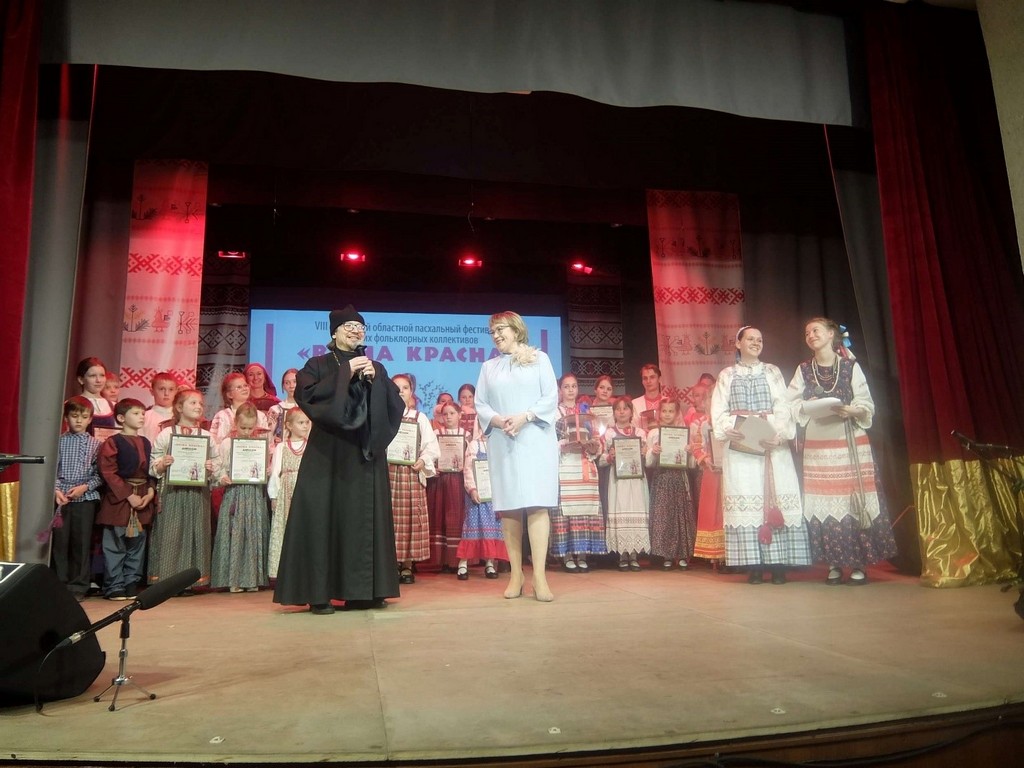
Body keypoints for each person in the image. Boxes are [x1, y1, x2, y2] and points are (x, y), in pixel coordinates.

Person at [273, 306, 405, 614]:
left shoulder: (376, 366)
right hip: (328, 454)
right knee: (322, 519)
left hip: (364, 454)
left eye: (360, 326)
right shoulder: (318, 364)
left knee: (361, 521)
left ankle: (363, 592)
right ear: (334, 332)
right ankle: (319, 594)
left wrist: (376, 382)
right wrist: (345, 373)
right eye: (349, 326)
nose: (356, 330)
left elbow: (394, 406)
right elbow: (308, 396)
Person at [787, 317, 897, 585]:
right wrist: (808, 406)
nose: (811, 335)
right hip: (819, 444)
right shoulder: (804, 369)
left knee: (852, 501)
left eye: (816, 330)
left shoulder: (849, 366)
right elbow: (790, 403)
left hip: (849, 439)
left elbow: (865, 402)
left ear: (830, 335)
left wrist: (852, 410)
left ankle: (859, 563)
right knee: (825, 503)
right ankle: (834, 563)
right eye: (807, 332)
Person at [711, 326, 810, 585]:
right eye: (750, 339)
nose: (756, 343)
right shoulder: (727, 375)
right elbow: (718, 410)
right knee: (747, 497)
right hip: (741, 449)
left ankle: (778, 565)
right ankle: (753, 565)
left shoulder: (772, 371)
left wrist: (778, 434)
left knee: (775, 496)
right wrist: (728, 428)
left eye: (760, 340)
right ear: (738, 343)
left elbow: (783, 405)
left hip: (770, 444)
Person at [475, 311, 559, 602]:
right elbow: (481, 404)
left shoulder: (539, 359)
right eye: (492, 331)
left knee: (537, 504)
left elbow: (550, 397)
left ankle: (540, 576)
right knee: (510, 507)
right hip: (504, 441)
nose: (496, 335)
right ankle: (515, 574)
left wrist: (526, 416)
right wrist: (499, 420)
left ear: (516, 330)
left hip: (536, 438)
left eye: (501, 329)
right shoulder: (488, 367)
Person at [149, 389, 219, 589]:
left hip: (197, 493)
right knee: (172, 533)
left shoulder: (206, 436)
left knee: (196, 532)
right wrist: (163, 463)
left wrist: (210, 467)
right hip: (173, 492)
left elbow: (217, 462)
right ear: (179, 407)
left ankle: (192, 581)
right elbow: (153, 464)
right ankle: (168, 580)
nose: (198, 407)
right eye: (193, 403)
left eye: (200, 404)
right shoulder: (167, 434)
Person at [96, 398, 156, 600]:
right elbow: (108, 471)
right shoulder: (113, 442)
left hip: (142, 496)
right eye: (136, 413)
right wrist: (129, 495)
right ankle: (114, 585)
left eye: (143, 413)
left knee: (137, 544)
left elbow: (150, 471)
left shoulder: (146, 442)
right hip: (120, 500)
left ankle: (131, 582)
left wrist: (150, 492)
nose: (141, 417)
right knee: (115, 544)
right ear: (121, 418)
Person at [550, 373, 606, 573]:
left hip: (584, 465)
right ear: (560, 390)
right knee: (566, 512)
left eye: (573, 386)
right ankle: (566, 556)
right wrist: (564, 444)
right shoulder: (554, 413)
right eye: (566, 386)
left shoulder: (586, 412)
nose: (570, 390)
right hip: (565, 467)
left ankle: (582, 555)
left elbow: (597, 440)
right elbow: (549, 442)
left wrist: (593, 446)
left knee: (585, 510)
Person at [212, 402, 271, 592]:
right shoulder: (227, 443)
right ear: (235, 423)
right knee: (235, 533)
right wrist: (222, 477)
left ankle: (251, 579)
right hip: (235, 493)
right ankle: (233, 580)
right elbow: (219, 466)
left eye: (250, 428)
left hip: (254, 494)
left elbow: (265, 467)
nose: (246, 431)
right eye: (243, 427)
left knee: (253, 534)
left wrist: (266, 472)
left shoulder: (260, 443)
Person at [388, 373, 439, 584]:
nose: (401, 392)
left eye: (405, 388)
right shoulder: (383, 416)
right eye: (396, 388)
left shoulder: (420, 418)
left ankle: (407, 566)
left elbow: (431, 446)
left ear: (412, 392)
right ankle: (389, 565)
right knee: (388, 520)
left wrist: (423, 460)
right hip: (388, 475)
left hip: (411, 475)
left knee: (410, 519)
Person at [52, 396, 103, 600]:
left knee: (81, 542)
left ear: (90, 419)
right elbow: (51, 471)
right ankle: (59, 584)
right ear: (66, 418)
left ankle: (79, 585)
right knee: (60, 542)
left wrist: (85, 487)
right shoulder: (58, 441)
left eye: (83, 416)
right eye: (74, 416)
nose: (79, 420)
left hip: (85, 497)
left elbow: (100, 474)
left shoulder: (96, 444)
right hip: (61, 497)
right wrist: (56, 490)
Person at [600, 396, 651, 571]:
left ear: (631, 411)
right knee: (620, 509)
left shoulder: (640, 433)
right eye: (618, 409)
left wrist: (645, 453)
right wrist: (609, 457)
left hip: (636, 480)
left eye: (625, 408)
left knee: (636, 509)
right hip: (618, 481)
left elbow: (649, 460)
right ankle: (622, 555)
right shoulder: (609, 434)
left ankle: (634, 555)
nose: (621, 412)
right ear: (614, 413)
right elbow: (600, 459)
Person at [645, 398, 696, 570]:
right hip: (662, 478)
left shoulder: (684, 433)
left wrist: (690, 452)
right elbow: (648, 463)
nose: (667, 414)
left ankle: (681, 555)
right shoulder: (654, 433)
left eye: (671, 411)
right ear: (659, 413)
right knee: (664, 515)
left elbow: (691, 465)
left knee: (680, 515)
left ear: (677, 413)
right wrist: (653, 452)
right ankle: (666, 555)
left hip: (679, 477)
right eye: (664, 411)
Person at [454, 431, 507, 579]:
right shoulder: (474, 445)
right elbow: (468, 469)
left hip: (493, 495)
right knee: (471, 527)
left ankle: (490, 563)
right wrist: (472, 489)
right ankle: (463, 563)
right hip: (477, 495)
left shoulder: (499, 445)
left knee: (493, 529)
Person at [267, 407, 311, 579]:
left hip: (306, 491)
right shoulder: (282, 447)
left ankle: (304, 569)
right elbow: (275, 473)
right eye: (301, 422)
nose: (305, 426)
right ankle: (286, 570)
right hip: (287, 493)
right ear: (289, 425)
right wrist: (274, 496)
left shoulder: (311, 446)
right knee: (285, 528)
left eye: (307, 422)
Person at [426, 401, 468, 573]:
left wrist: (465, 467)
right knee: (440, 517)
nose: (449, 417)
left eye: (452, 413)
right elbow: (428, 454)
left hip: (458, 482)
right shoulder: (436, 434)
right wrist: (432, 468)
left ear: (459, 415)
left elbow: (471, 458)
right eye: (445, 414)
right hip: (440, 482)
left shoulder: (466, 435)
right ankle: (440, 560)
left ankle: (457, 560)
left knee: (456, 518)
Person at [688, 385, 726, 567]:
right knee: (714, 512)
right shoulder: (704, 424)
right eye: (710, 398)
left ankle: (732, 555)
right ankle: (717, 556)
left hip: (729, 473)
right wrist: (705, 459)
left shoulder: (730, 423)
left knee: (727, 511)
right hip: (712, 473)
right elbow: (696, 447)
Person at [210, 371, 269, 447]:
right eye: (239, 387)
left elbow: (267, 443)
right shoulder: (222, 416)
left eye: (245, 385)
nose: (244, 389)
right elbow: (213, 443)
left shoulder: (260, 416)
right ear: (229, 394)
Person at [75, 357, 116, 430]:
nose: (98, 380)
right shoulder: (71, 405)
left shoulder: (114, 406)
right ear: (81, 379)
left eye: (102, 375)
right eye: (93, 376)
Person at [143, 372, 180, 442]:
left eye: (171, 389)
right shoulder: (144, 418)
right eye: (162, 389)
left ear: (176, 391)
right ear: (152, 391)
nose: (166, 393)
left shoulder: (181, 418)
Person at [267, 368, 299, 443]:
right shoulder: (275, 410)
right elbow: (269, 435)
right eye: (287, 383)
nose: (291, 386)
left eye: (295, 382)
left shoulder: (308, 409)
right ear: (283, 386)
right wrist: (274, 440)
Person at [631, 363, 663, 431]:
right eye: (645, 378)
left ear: (659, 379)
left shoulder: (670, 403)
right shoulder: (634, 404)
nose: (648, 381)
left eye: (652, 377)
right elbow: (632, 430)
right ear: (642, 381)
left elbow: (679, 429)